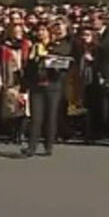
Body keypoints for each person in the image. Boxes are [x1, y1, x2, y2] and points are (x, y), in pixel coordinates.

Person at [24, 23, 72, 157]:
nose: (40, 33)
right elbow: (28, 67)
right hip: (36, 86)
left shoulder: (59, 46)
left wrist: (48, 55)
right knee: (36, 118)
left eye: (43, 30)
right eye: (38, 31)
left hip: (53, 86)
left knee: (50, 117)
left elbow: (64, 61)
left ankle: (48, 146)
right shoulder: (34, 46)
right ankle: (31, 147)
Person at [0, 23, 31, 148]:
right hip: (10, 78)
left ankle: (21, 133)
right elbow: (0, 65)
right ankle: (12, 133)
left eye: (19, 31)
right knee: (12, 107)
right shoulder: (5, 48)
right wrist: (0, 80)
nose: (17, 33)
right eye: (15, 31)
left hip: (24, 78)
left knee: (24, 107)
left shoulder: (26, 45)